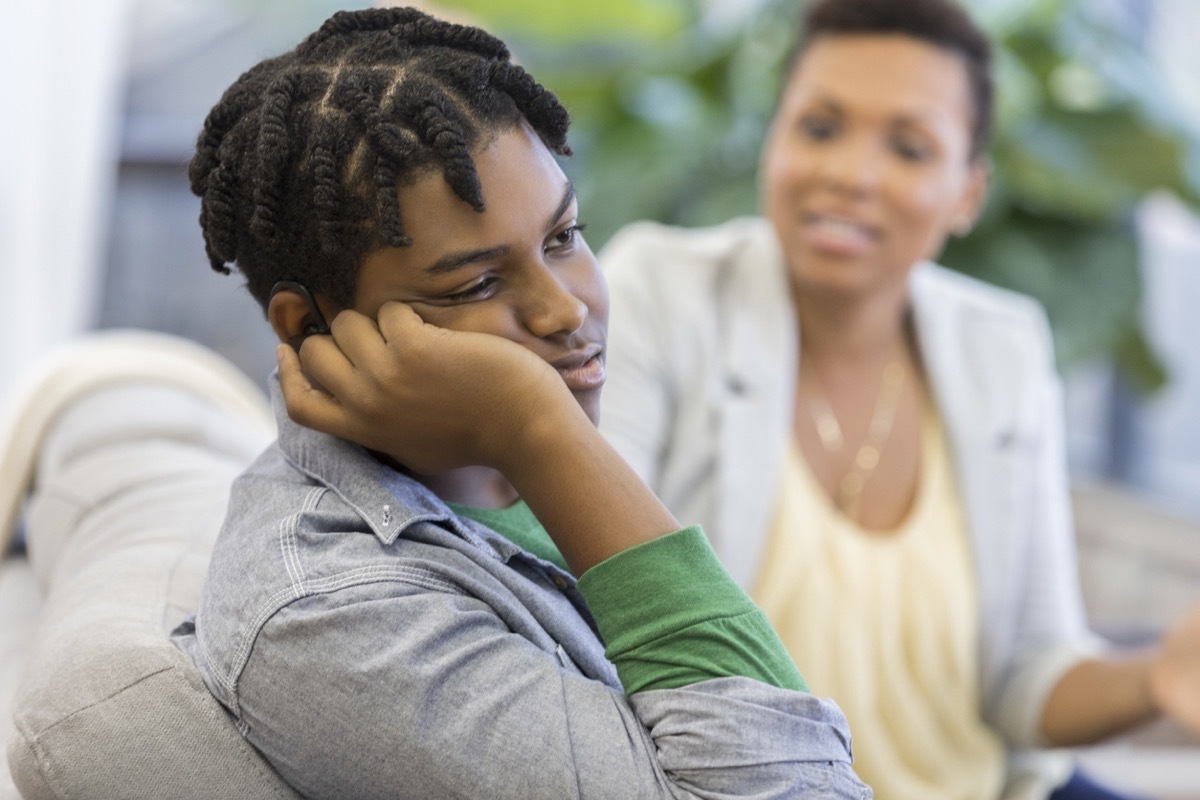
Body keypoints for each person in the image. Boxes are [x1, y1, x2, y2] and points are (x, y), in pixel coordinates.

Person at [169, 7, 870, 799]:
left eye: (563, 236)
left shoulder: (496, 479)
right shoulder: (330, 618)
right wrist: (534, 425)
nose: (565, 311)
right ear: (310, 327)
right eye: (476, 283)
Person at [597, 1, 1200, 799]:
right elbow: (591, 605)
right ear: (772, 140)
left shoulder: (1004, 347)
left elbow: (1026, 680)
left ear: (968, 193)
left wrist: (1159, 676)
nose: (850, 172)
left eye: (909, 147)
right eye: (818, 127)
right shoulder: (661, 290)